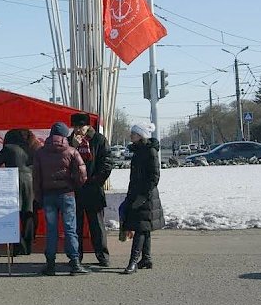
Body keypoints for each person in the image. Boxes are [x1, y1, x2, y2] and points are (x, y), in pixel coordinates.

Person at [33, 122, 89, 276]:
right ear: (65, 135)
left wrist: (39, 196)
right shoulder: (71, 151)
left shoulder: (40, 152)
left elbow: (36, 177)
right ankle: (75, 263)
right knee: (70, 229)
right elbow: (82, 173)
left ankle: (50, 265)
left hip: (48, 196)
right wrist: (74, 185)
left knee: (51, 231)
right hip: (67, 195)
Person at [68, 113, 113, 266]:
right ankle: (76, 257)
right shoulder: (69, 141)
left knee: (97, 226)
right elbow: (64, 162)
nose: (78, 130)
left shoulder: (98, 140)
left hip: (93, 189)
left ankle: (102, 256)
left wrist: (96, 181)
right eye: (75, 127)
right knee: (76, 226)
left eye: (81, 127)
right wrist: (72, 146)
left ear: (88, 126)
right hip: (76, 189)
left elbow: (107, 163)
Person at [121, 122, 165, 274]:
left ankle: (133, 262)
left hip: (146, 196)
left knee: (140, 228)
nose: (131, 135)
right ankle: (146, 259)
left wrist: (143, 196)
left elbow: (154, 177)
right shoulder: (138, 151)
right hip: (137, 194)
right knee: (144, 228)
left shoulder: (149, 151)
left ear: (140, 135)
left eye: (133, 133)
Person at [0, 129, 36, 255]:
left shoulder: (9, 148)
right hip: (31, 182)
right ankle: (28, 247)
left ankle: (17, 247)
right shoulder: (33, 147)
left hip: (14, 182)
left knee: (13, 216)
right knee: (29, 214)